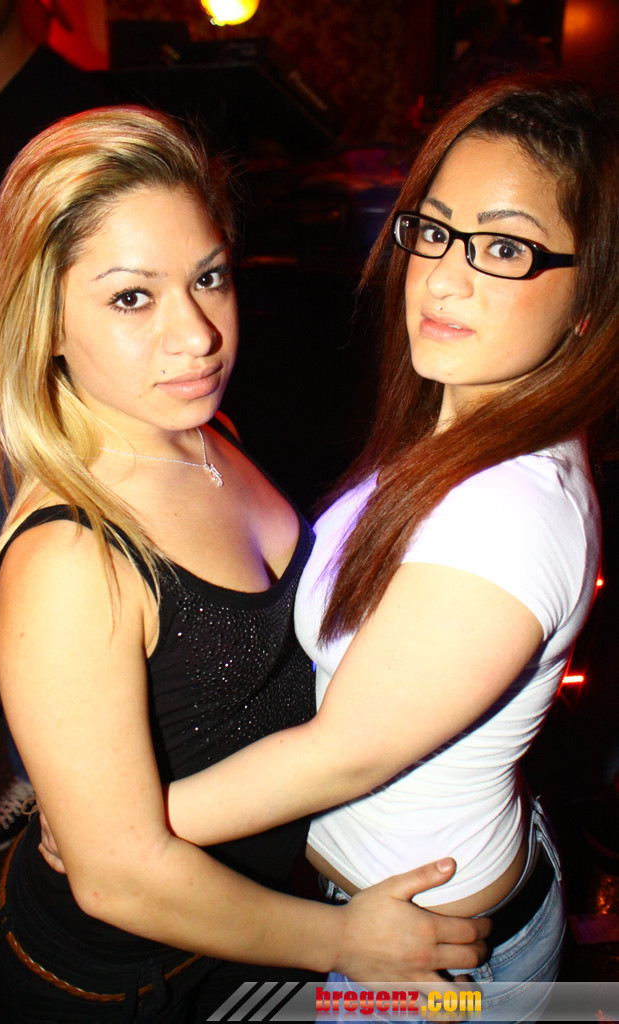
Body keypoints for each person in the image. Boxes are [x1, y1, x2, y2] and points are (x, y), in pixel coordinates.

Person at [0, 105, 489, 1023]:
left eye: (208, 277)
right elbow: (117, 877)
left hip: (247, 927)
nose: (198, 335)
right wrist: (342, 941)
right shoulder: (70, 557)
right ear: (42, 321)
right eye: (131, 298)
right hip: (122, 987)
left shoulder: (203, 431)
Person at [162, 75, 619, 1013]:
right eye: (435, 230)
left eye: (504, 247)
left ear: (590, 298)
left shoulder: (509, 510)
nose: (443, 277)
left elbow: (343, 755)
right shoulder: (467, 420)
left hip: (424, 965)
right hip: (406, 908)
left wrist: (122, 832)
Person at [0, 0, 113, 857]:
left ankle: (109, 798)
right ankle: (37, 778)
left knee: (88, 614)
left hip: (58, 412)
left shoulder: (78, 108)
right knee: (1, 619)